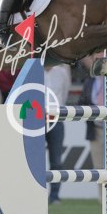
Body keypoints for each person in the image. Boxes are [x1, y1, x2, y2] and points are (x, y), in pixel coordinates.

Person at [44, 64, 71, 205]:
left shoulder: (62, 72)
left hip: (56, 118)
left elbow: (65, 94)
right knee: (34, 159)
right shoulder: (33, 71)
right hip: (36, 119)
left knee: (56, 160)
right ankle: (35, 193)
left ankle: (54, 196)